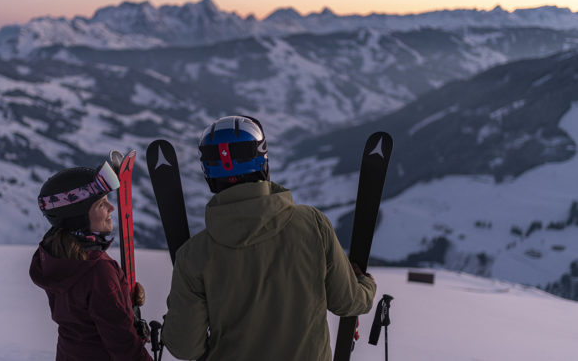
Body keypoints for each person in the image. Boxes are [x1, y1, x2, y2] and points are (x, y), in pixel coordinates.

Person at [162, 116, 377, 360]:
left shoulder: (193, 256)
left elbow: (185, 346)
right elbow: (347, 302)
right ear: (263, 162)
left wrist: (176, 319)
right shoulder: (313, 225)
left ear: (209, 174)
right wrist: (365, 284)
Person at [29, 162, 153, 361]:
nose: (112, 207)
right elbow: (123, 345)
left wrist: (122, 299)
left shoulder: (53, 257)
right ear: (79, 217)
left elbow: (83, 317)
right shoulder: (98, 271)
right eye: (101, 204)